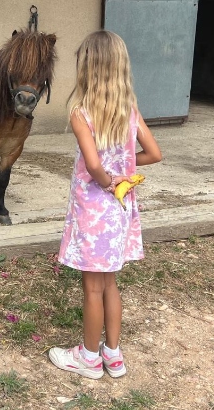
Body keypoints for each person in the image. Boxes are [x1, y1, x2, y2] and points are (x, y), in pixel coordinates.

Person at [48, 30, 162, 380]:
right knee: (110, 285)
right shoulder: (129, 110)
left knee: (92, 288)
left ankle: (88, 357)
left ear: (88, 68)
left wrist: (105, 178)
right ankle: (113, 355)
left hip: (95, 211)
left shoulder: (80, 112)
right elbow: (155, 153)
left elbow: (93, 163)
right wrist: (126, 168)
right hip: (121, 211)